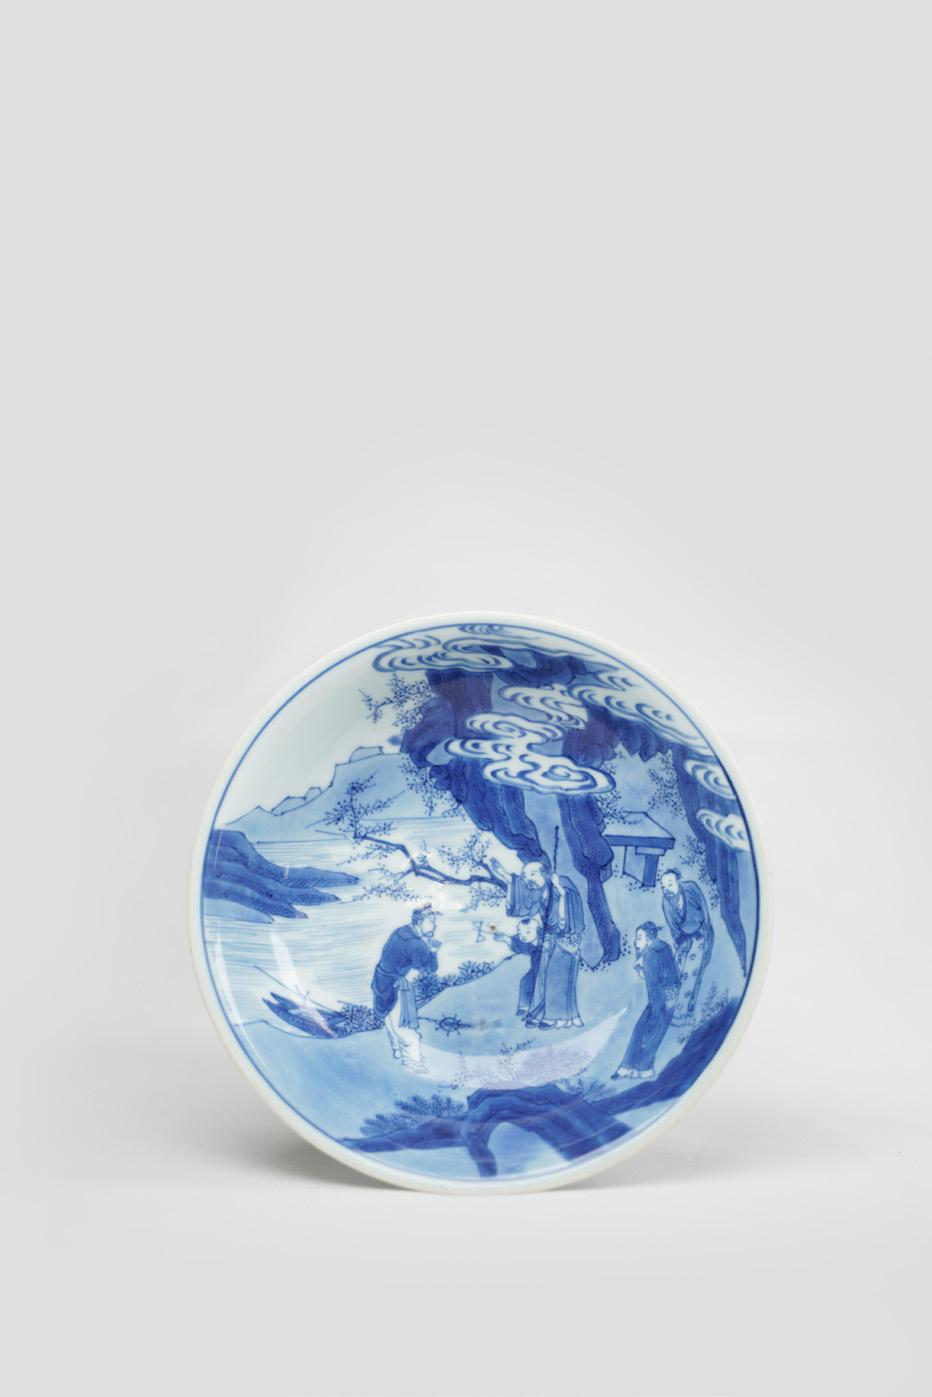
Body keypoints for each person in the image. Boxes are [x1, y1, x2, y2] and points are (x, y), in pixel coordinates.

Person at [489, 854, 586, 1028]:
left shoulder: (561, 883)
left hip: (565, 939)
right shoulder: (539, 891)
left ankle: (557, 1016)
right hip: (548, 939)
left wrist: (561, 891)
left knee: (556, 978)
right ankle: (538, 1012)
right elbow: (524, 901)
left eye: (531, 874)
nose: (527, 879)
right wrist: (505, 875)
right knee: (542, 977)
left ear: (544, 873)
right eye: (524, 876)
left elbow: (571, 909)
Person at [371, 906, 439, 1073]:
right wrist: (433, 952)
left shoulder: (401, 931)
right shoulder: (415, 944)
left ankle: (397, 1050)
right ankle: (412, 1063)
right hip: (396, 985)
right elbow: (428, 969)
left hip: (381, 980)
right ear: (420, 922)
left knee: (389, 1017)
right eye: (431, 922)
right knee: (405, 1027)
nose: (435, 926)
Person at [611, 922, 680, 1079]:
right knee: (642, 1032)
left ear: (648, 939)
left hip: (660, 1001)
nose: (636, 941)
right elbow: (668, 973)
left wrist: (655, 1011)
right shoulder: (664, 947)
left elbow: (654, 985)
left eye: (639, 937)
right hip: (671, 995)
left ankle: (641, 1069)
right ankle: (629, 1068)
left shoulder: (650, 955)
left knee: (650, 1035)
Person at [660, 867, 714, 1025]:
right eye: (663, 887)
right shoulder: (666, 902)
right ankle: (670, 1010)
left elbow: (704, 910)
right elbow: (673, 927)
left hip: (702, 934)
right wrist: (680, 945)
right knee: (675, 971)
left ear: (678, 881)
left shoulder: (691, 888)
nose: (666, 889)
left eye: (670, 884)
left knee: (691, 974)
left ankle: (683, 1014)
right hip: (684, 939)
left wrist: (706, 933)